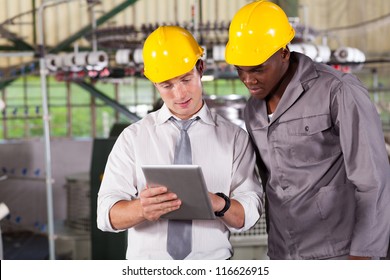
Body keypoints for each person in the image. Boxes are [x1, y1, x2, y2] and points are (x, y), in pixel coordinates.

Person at [225, 0, 390, 260]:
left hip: (340, 253)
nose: (248, 80)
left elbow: (374, 180)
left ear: (283, 53)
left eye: (257, 69)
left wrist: (364, 257)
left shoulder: (338, 91)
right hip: (284, 253)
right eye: (240, 71)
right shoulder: (253, 111)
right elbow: (271, 184)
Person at [97, 25, 263, 260]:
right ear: (154, 83)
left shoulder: (235, 139)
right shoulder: (133, 138)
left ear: (201, 68)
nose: (180, 94)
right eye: (167, 85)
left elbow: (248, 215)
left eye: (186, 79)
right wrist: (141, 209)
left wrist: (218, 203)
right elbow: (105, 215)